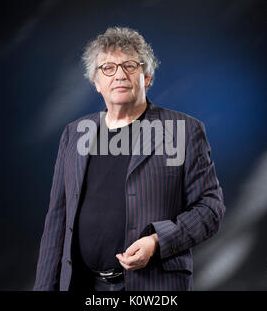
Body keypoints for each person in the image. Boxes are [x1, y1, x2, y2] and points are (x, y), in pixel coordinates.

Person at [34, 26, 225, 291]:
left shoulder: (183, 131)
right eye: (108, 68)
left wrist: (157, 241)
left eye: (130, 66)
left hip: (153, 287)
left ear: (146, 77)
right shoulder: (74, 134)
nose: (120, 75)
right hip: (83, 284)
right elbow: (57, 219)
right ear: (96, 82)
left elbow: (210, 209)